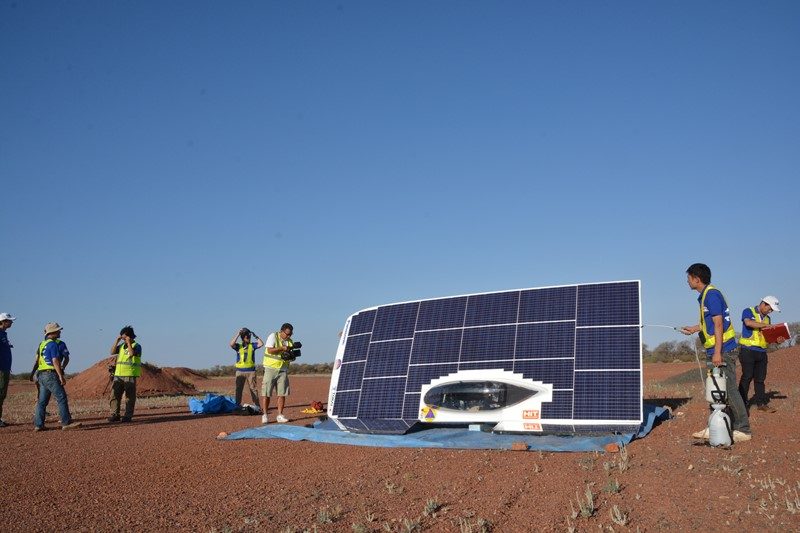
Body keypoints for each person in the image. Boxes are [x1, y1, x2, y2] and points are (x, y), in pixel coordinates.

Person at [681, 263, 751, 442]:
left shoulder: (711, 295)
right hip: (715, 350)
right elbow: (711, 323)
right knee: (714, 389)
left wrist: (718, 352)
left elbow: (719, 324)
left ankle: (743, 429)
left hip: (723, 350)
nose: (687, 281)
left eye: (689, 277)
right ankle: (714, 424)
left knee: (729, 389)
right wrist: (696, 328)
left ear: (697, 279)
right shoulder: (705, 296)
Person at [33, 322, 81, 431]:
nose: (60, 332)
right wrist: (60, 375)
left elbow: (38, 359)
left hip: (41, 374)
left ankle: (38, 425)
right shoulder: (53, 344)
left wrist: (34, 374)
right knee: (61, 398)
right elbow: (55, 360)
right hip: (51, 374)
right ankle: (66, 423)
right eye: (58, 330)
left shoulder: (42, 344)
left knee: (42, 402)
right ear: (52, 332)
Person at [738, 295, 781, 413]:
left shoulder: (768, 319)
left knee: (760, 379)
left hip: (762, 352)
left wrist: (777, 340)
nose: (770, 311)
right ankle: (742, 404)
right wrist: (766, 325)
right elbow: (748, 323)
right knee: (747, 377)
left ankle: (761, 403)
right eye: (770, 309)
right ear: (764, 304)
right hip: (748, 350)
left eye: (772, 310)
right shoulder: (748, 311)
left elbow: (767, 338)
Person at [260, 323, 296, 424]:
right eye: (287, 334)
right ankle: (265, 415)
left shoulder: (290, 341)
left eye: (291, 334)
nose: (289, 336)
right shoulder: (273, 336)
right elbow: (269, 350)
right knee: (266, 393)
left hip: (283, 370)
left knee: (282, 393)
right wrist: (282, 348)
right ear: (281, 331)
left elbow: (291, 357)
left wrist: (291, 356)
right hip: (270, 368)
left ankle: (280, 415)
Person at [108, 325, 142, 423]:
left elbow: (131, 354)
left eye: (124, 337)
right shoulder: (122, 346)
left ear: (130, 336)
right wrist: (117, 340)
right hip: (118, 374)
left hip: (130, 374)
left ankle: (127, 416)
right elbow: (112, 352)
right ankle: (115, 414)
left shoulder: (137, 346)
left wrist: (128, 342)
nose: (123, 339)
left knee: (129, 397)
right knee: (114, 395)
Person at [229, 327, 263, 408]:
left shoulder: (252, 345)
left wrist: (256, 336)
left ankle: (257, 406)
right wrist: (238, 334)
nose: (249, 338)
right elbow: (231, 344)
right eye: (247, 337)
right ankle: (237, 405)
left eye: (249, 337)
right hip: (240, 372)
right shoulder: (238, 346)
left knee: (253, 389)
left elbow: (261, 344)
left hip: (251, 371)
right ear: (243, 338)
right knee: (238, 389)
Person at [0, 312, 16, 427]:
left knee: (2, 394)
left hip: (4, 368)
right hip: (1, 369)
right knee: (0, 393)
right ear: (3, 322)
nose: (11, 322)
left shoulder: (3, 334)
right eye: (9, 320)